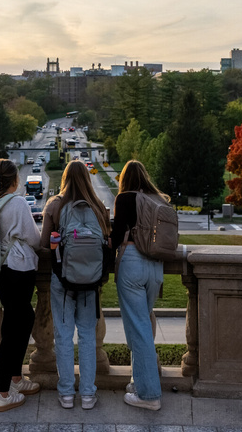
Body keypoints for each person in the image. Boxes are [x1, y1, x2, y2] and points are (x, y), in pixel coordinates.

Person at [39, 161, 111, 410]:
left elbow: (43, 244)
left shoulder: (55, 205)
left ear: (65, 178)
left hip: (63, 280)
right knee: (88, 336)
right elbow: (106, 245)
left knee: (63, 335)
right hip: (91, 283)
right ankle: (89, 395)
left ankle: (67, 393)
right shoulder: (98, 207)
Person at [0, 158, 45, 412]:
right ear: (16, 180)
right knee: (13, 328)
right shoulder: (18, 203)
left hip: (0, 270)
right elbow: (34, 238)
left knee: (19, 320)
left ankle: (16, 379)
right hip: (19, 270)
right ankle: (3, 393)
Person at [111, 160, 167, 411]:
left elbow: (114, 239)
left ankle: (149, 395)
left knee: (139, 328)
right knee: (142, 324)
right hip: (155, 266)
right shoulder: (159, 200)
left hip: (132, 261)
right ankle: (139, 381)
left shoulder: (124, 199)